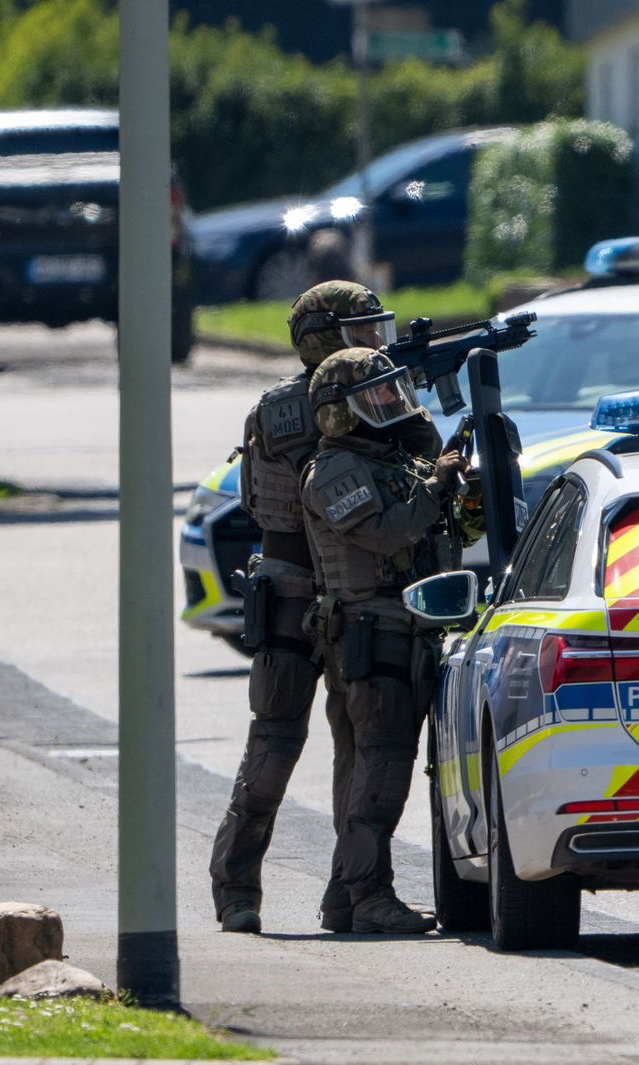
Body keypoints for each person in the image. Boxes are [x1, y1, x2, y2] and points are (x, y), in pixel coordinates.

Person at [209, 281, 402, 935]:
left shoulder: (288, 405)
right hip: (315, 592)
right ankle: (314, 892)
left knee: (326, 746)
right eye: (362, 331)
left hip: (322, 592)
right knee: (316, 746)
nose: (375, 341)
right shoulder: (324, 404)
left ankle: (302, 893)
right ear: (327, 338)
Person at [300, 347, 483, 934]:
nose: (390, 402)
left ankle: (344, 897)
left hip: (403, 630)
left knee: (375, 770)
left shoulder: (393, 459)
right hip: (370, 634)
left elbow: (440, 528)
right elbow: (388, 531)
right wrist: (434, 485)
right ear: (341, 411)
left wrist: (457, 487)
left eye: (390, 391)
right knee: (380, 772)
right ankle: (370, 898)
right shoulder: (333, 472)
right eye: (375, 395)